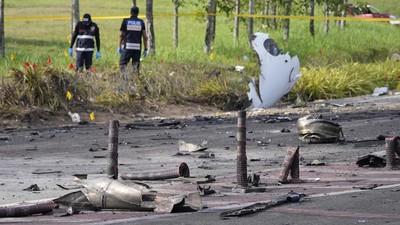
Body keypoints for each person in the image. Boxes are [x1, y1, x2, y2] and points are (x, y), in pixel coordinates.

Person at [118, 6, 148, 75]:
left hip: (127, 47)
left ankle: (124, 81)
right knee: (136, 67)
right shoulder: (141, 22)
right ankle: (135, 81)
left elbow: (121, 35)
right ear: (138, 13)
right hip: (137, 48)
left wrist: (119, 47)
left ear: (131, 12)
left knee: (123, 64)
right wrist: (146, 49)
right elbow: (145, 36)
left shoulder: (125, 21)